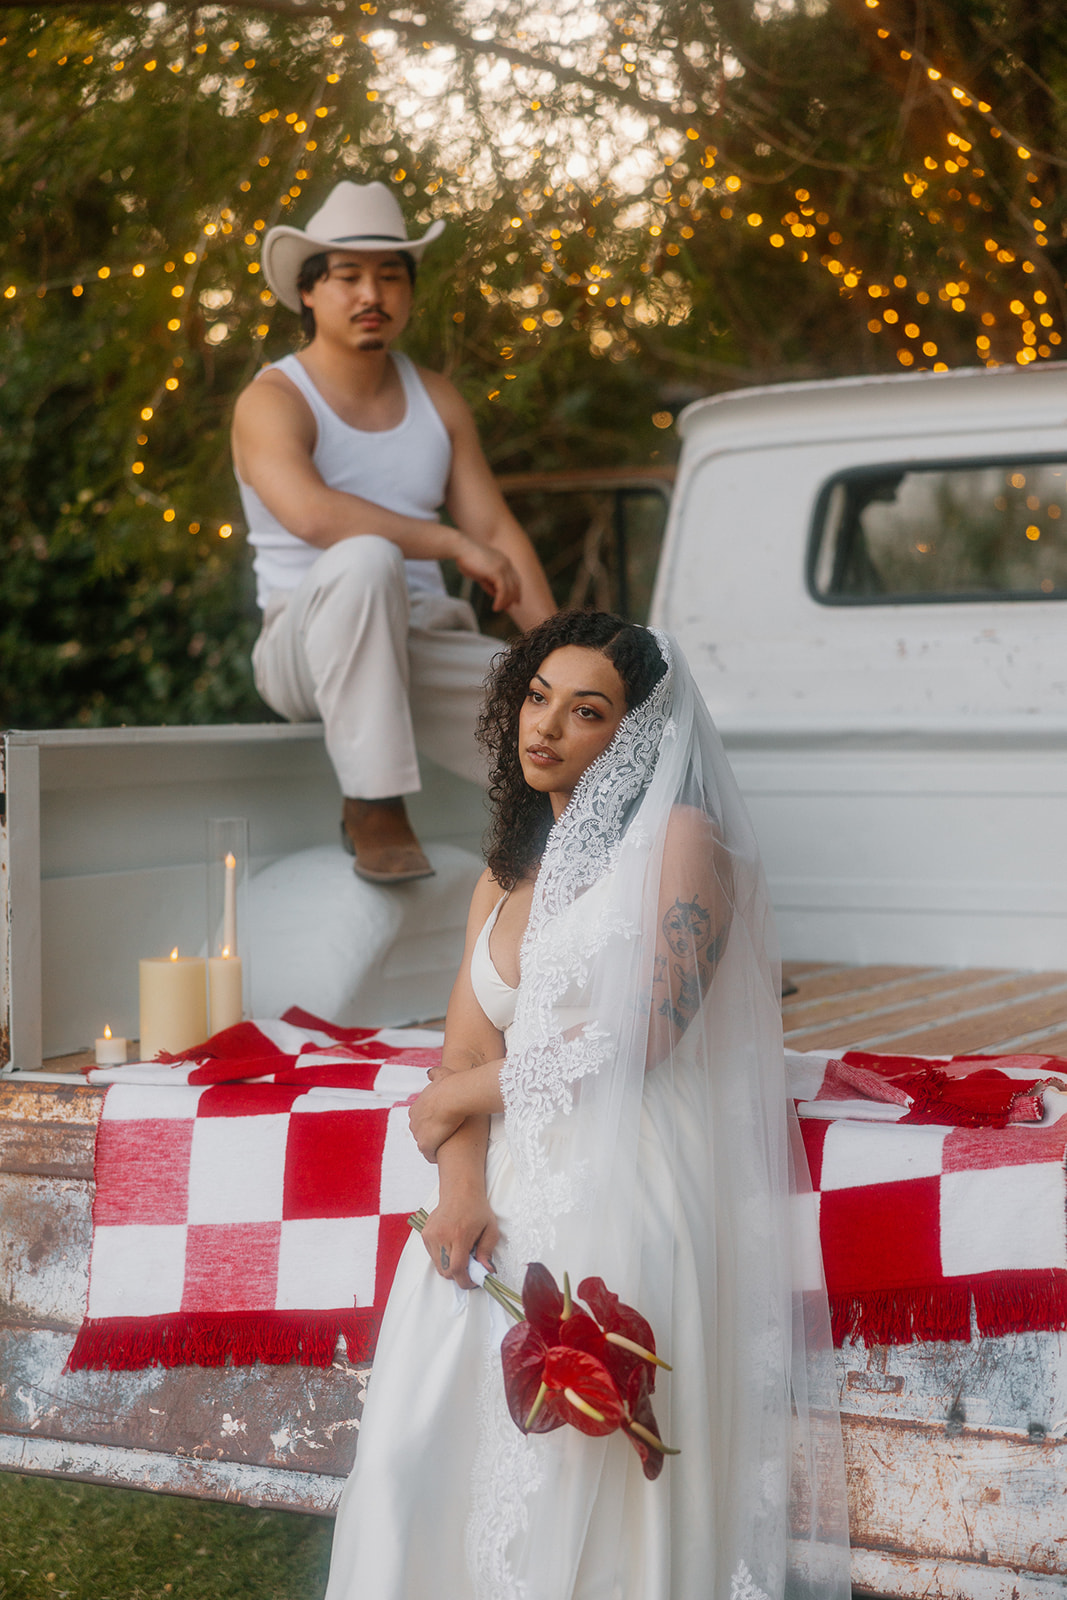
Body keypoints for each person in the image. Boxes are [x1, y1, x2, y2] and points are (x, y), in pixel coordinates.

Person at [322, 611, 851, 1600]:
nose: (547, 726)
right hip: (502, 1183)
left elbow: (636, 1036)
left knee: (586, 1479)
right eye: (535, 697)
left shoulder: (685, 844)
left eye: (585, 710)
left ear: (635, 734)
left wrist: (451, 1101)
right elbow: (469, 1040)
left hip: (631, 1170)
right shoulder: (502, 877)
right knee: (414, 1451)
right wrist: (460, 1188)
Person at [231, 181, 555, 883]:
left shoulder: (435, 396)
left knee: (587, 722)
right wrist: (449, 543)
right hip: (305, 647)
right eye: (347, 277)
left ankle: (682, 920)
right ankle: (373, 805)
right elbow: (313, 514)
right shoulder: (273, 399)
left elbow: (494, 526)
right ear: (308, 293)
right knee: (366, 558)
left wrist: (563, 655)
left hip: (422, 645)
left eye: (389, 276)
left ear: (408, 292)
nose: (369, 293)